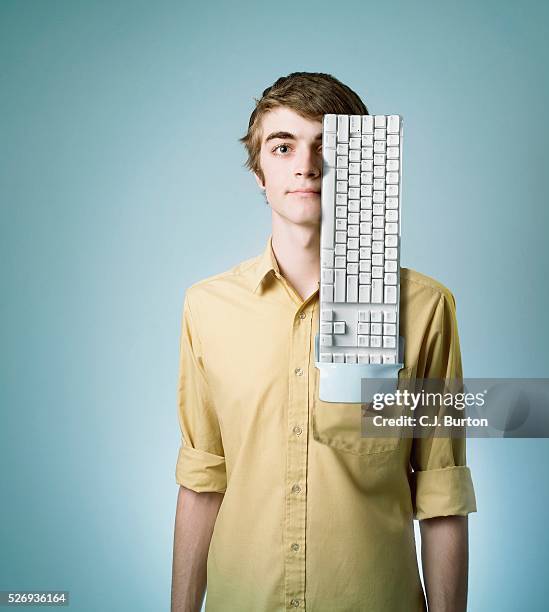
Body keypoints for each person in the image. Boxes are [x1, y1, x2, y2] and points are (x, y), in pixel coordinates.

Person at [171, 72, 477, 612]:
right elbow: (202, 479)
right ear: (259, 172)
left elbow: (441, 491)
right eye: (283, 146)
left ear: (363, 170)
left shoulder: (426, 309)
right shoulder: (206, 308)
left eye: (330, 145)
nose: (306, 165)